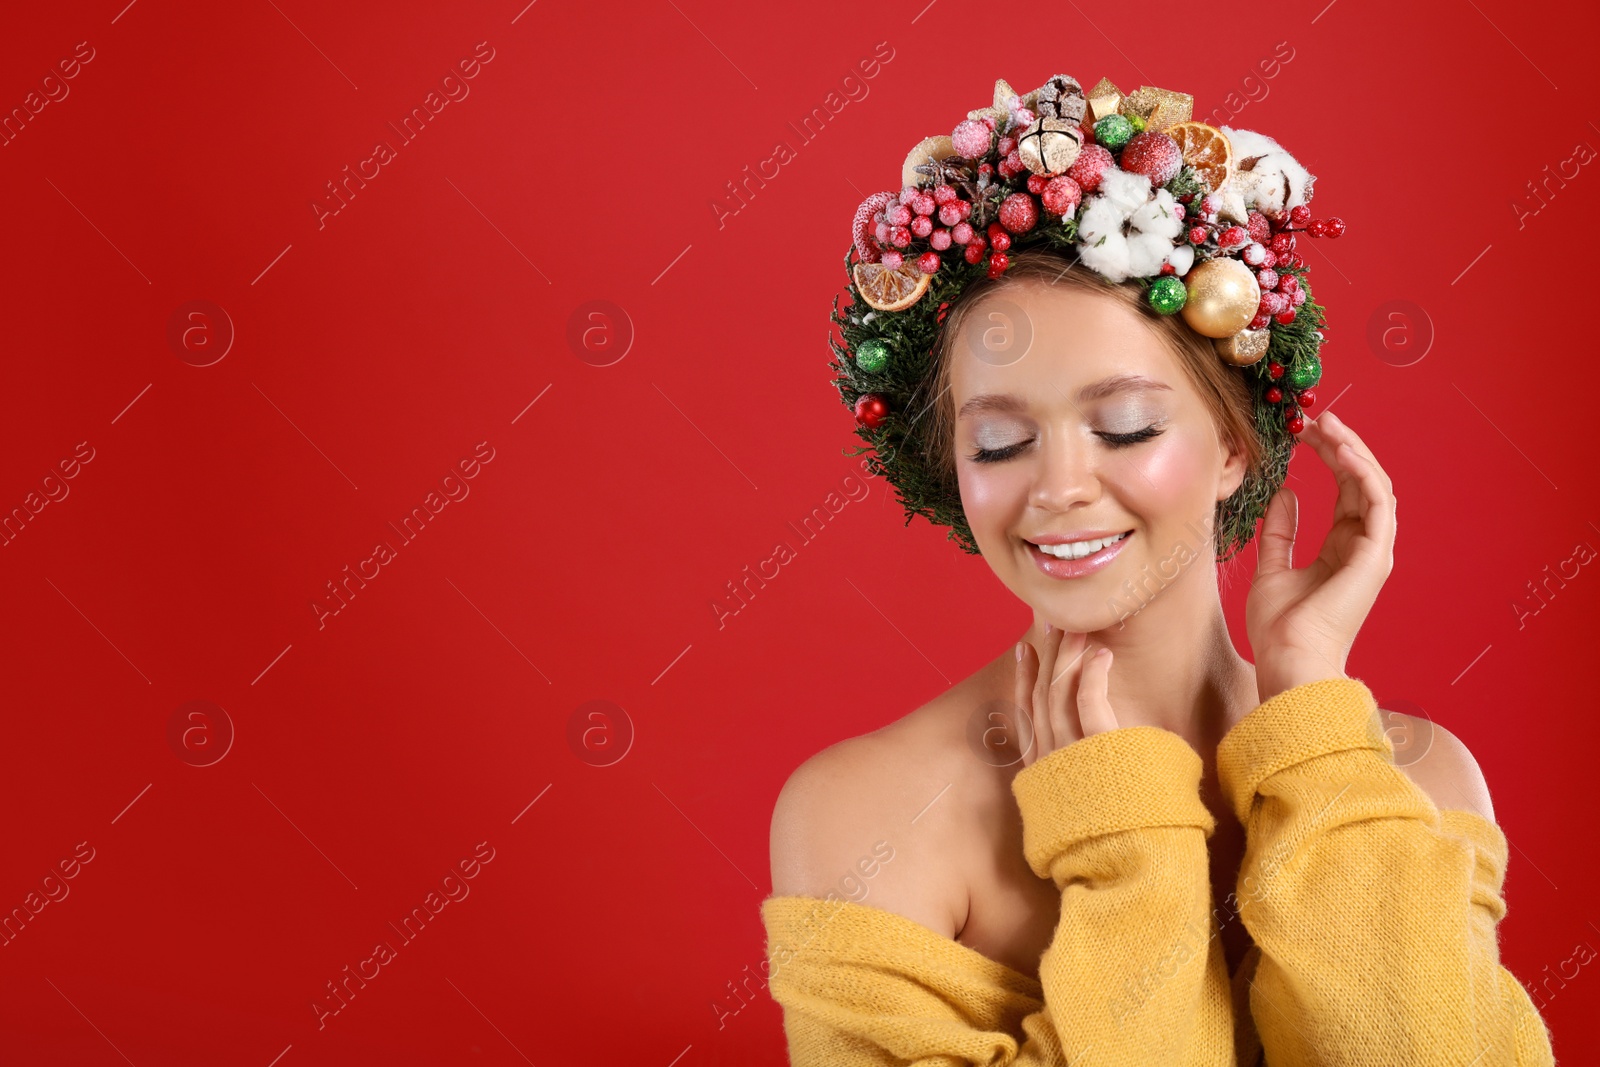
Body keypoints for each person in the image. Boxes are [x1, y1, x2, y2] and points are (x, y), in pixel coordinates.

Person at [760, 72, 1557, 1066]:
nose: (1057, 486)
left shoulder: (1416, 778)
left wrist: (1312, 718)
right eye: (1000, 442)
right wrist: (1125, 852)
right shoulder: (864, 810)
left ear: (1234, 446)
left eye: (1125, 425)